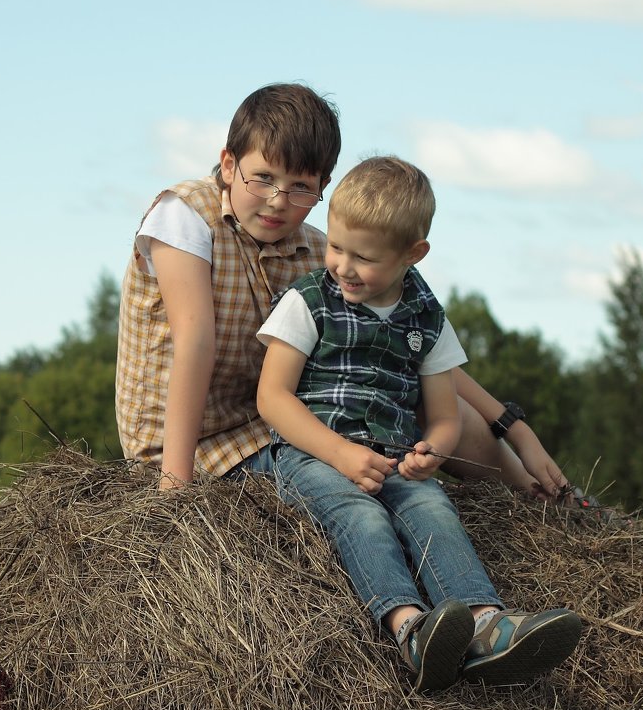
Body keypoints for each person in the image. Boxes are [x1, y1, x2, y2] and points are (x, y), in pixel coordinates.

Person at [115, 81, 571, 499]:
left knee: (439, 407)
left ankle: (548, 503)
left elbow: (415, 344)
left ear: (323, 188)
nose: (278, 200)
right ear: (230, 164)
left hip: (279, 423)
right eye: (263, 178)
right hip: (190, 443)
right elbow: (195, 340)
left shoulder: (326, 253)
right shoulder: (185, 214)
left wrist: (513, 427)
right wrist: (175, 491)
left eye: (300, 187)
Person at [255, 156, 582, 691]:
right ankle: (410, 629)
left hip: (396, 453)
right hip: (311, 454)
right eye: (337, 247)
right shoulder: (308, 300)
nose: (344, 266)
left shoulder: (427, 319)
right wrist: (339, 453)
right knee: (359, 515)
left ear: (414, 254)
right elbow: (272, 398)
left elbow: (446, 413)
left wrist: (433, 449)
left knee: (432, 506)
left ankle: (483, 623)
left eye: (365, 257)